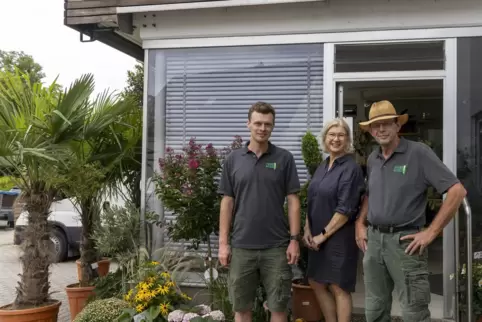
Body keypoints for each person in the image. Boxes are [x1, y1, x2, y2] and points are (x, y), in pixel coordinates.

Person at [355, 100, 467, 322]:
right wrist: (360, 223)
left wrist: (431, 231)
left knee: (414, 312)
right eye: (375, 125)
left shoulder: (418, 153)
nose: (381, 129)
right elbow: (370, 194)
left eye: (386, 123)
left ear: (398, 125)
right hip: (374, 242)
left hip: (405, 243)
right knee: (375, 309)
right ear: (370, 131)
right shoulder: (373, 158)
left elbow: (457, 191)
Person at [217, 101, 301, 322]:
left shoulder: (284, 159)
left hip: (277, 247)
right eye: (258, 123)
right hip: (242, 247)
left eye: (268, 124)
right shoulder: (233, 160)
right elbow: (227, 203)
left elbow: (293, 201)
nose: (263, 128)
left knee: (278, 307)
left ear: (273, 127)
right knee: (242, 308)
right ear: (248, 124)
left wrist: (294, 240)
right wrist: (223, 244)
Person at [303, 118, 365, 322]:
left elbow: (345, 209)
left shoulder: (351, 168)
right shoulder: (323, 165)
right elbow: (312, 198)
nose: (336, 139)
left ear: (347, 139)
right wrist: (306, 229)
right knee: (316, 282)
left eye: (341, 135)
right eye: (332, 134)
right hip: (316, 234)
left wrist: (322, 235)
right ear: (325, 137)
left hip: (339, 237)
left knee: (338, 286)